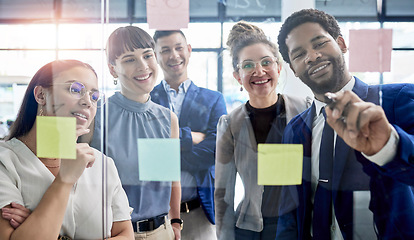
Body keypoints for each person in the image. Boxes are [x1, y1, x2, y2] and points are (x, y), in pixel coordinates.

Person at [276, 8, 414, 239]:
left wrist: (389, 144)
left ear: (341, 44)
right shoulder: (293, 130)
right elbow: (287, 207)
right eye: (299, 54)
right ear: (293, 69)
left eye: (319, 43)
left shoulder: (397, 99)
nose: (312, 56)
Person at [0, 59, 134, 239]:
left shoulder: (102, 164)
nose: (88, 101)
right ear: (41, 95)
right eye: (76, 90)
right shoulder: (5, 161)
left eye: (94, 96)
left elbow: (126, 235)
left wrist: (38, 226)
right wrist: (65, 179)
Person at [214, 21, 311, 240]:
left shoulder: (305, 110)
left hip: (299, 224)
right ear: (238, 77)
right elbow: (223, 194)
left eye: (266, 62)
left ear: (278, 68)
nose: (259, 71)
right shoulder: (230, 124)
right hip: (250, 230)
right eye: (248, 65)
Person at [88, 26, 181, 240]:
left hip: (161, 232)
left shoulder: (167, 119)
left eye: (148, 55)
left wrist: (175, 223)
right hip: (112, 233)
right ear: (113, 69)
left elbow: (171, 179)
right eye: (129, 59)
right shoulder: (97, 116)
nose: (143, 66)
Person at [150, 30, 227, 239]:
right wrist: (188, 138)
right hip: (155, 215)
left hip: (200, 213)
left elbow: (216, 150)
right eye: (165, 50)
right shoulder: (147, 99)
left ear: (189, 50)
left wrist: (164, 152)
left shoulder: (213, 99)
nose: (173, 55)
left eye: (178, 48)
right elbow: (145, 156)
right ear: (156, 56)